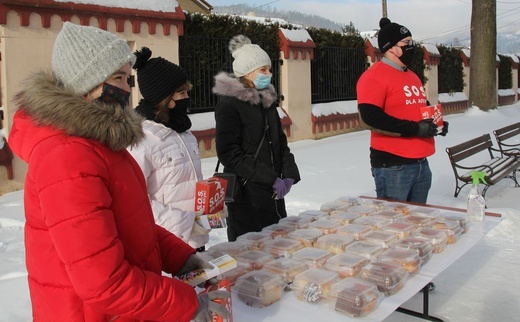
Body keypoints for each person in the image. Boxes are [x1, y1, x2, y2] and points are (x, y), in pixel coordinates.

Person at [8, 22, 228, 322]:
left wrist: (182, 258)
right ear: (86, 85)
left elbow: (133, 226)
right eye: (118, 78)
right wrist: (187, 304)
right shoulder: (68, 158)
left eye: (128, 77)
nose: (127, 88)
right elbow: (105, 283)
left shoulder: (103, 145)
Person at [213, 35, 301, 242]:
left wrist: (288, 175)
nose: (269, 74)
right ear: (247, 73)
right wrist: (270, 178)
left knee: (277, 251)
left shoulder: (267, 102)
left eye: (269, 69)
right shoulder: (229, 106)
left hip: (274, 197)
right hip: (247, 199)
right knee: (250, 258)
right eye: (263, 70)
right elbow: (229, 154)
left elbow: (280, 143)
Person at [357, 18, 449, 204]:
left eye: (411, 42)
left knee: (417, 225)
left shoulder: (412, 75)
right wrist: (416, 129)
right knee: (394, 227)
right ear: (391, 47)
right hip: (393, 166)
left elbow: (421, 108)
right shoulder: (374, 76)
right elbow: (370, 118)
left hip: (421, 163)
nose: (411, 47)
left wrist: (435, 124)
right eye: (406, 43)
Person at [128, 47, 210, 251]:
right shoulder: (141, 140)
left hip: (194, 240)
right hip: (166, 243)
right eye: (181, 92)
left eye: (187, 91)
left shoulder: (183, 131)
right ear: (163, 98)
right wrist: (186, 223)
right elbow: (136, 202)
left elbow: (184, 184)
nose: (187, 97)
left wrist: (209, 207)